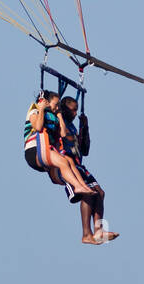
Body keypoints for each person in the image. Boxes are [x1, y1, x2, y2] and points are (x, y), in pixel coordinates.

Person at [58, 97, 119, 244]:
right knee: (87, 193)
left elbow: (85, 150)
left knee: (100, 192)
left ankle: (99, 231)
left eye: (76, 110)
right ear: (64, 110)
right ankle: (86, 234)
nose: (75, 113)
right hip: (66, 165)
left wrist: (85, 127)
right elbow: (61, 135)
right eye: (72, 110)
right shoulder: (59, 123)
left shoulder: (73, 127)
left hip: (79, 166)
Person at [24, 90, 97, 201]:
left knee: (70, 161)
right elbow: (38, 127)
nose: (58, 107)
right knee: (63, 162)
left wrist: (59, 115)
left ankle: (82, 186)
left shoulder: (53, 116)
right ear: (46, 102)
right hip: (34, 151)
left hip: (45, 152)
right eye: (56, 104)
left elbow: (63, 134)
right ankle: (76, 187)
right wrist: (42, 109)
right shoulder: (35, 111)